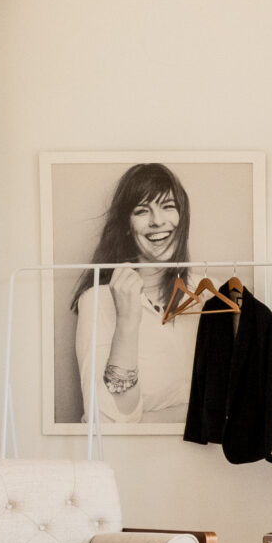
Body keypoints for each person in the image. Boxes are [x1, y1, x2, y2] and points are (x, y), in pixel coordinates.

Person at [68, 163, 198, 425]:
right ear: (127, 225)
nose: (157, 221)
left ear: (182, 217)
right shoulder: (97, 300)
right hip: (132, 459)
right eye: (142, 211)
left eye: (168, 206)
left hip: (209, 463)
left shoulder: (211, 294)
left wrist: (145, 420)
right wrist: (127, 321)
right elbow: (105, 423)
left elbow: (232, 410)